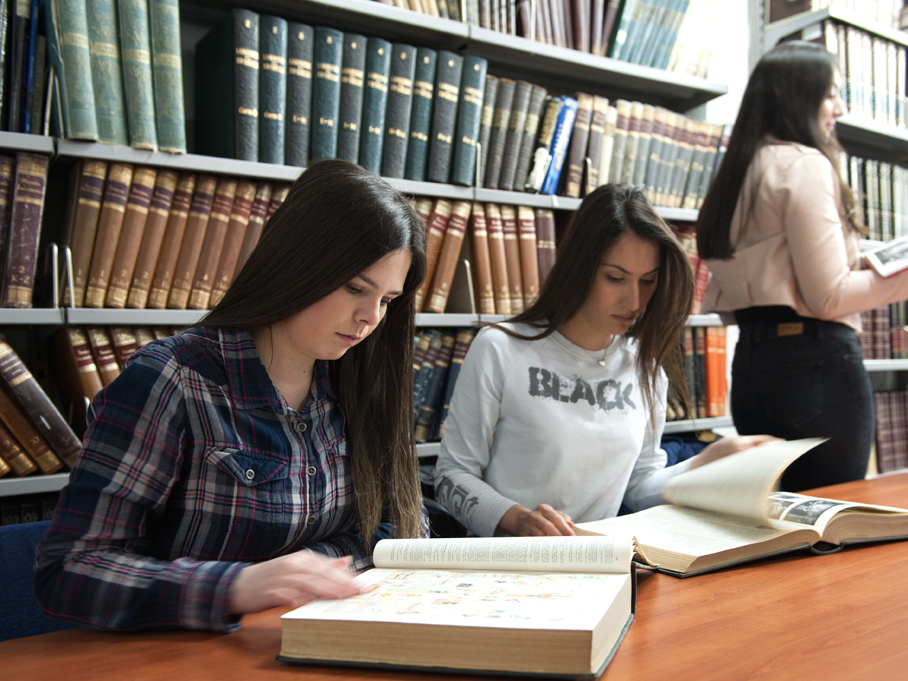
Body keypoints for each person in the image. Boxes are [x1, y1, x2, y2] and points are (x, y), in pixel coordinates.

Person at [33, 160, 427, 632]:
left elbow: (400, 530)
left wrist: (309, 568)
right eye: (355, 288)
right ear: (297, 264)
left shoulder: (361, 383)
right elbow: (69, 569)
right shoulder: (173, 379)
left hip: (313, 637)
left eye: (387, 300)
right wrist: (237, 586)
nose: (371, 317)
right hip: (183, 652)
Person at [434, 184, 777, 538]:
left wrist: (707, 462)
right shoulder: (500, 348)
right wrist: (517, 519)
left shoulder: (645, 369)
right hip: (506, 560)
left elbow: (639, 486)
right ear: (578, 268)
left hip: (599, 558)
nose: (634, 301)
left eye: (648, 281)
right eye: (615, 278)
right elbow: (450, 476)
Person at [695, 41, 908, 492]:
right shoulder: (803, 165)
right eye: (831, 95)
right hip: (816, 364)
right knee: (831, 513)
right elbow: (829, 296)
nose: (839, 109)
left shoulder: (737, 172)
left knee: (774, 515)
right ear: (797, 97)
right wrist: (904, 276)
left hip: (752, 365)